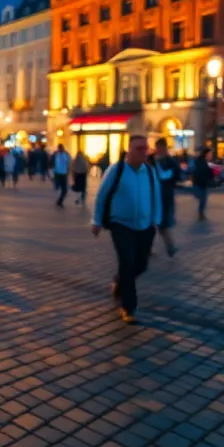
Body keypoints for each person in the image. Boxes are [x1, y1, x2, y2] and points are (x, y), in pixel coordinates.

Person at [92, 136, 161, 325]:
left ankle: (119, 281)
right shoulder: (117, 170)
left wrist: (157, 220)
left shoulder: (149, 171)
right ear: (128, 149)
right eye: (139, 148)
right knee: (127, 262)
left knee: (141, 265)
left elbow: (156, 195)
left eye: (145, 148)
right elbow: (102, 195)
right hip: (121, 224)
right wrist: (96, 220)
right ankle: (129, 307)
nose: (143, 152)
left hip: (145, 225)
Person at [150, 139, 182, 257]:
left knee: (161, 223)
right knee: (153, 223)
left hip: (164, 195)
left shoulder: (170, 161)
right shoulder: (151, 160)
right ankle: (169, 247)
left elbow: (177, 176)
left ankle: (170, 247)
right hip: (153, 194)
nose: (159, 149)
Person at [190, 147, 216, 221]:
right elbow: (204, 172)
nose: (211, 156)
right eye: (210, 154)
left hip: (200, 183)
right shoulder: (202, 162)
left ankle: (201, 214)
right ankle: (201, 214)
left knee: (203, 199)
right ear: (206, 154)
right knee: (202, 199)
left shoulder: (202, 162)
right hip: (200, 183)